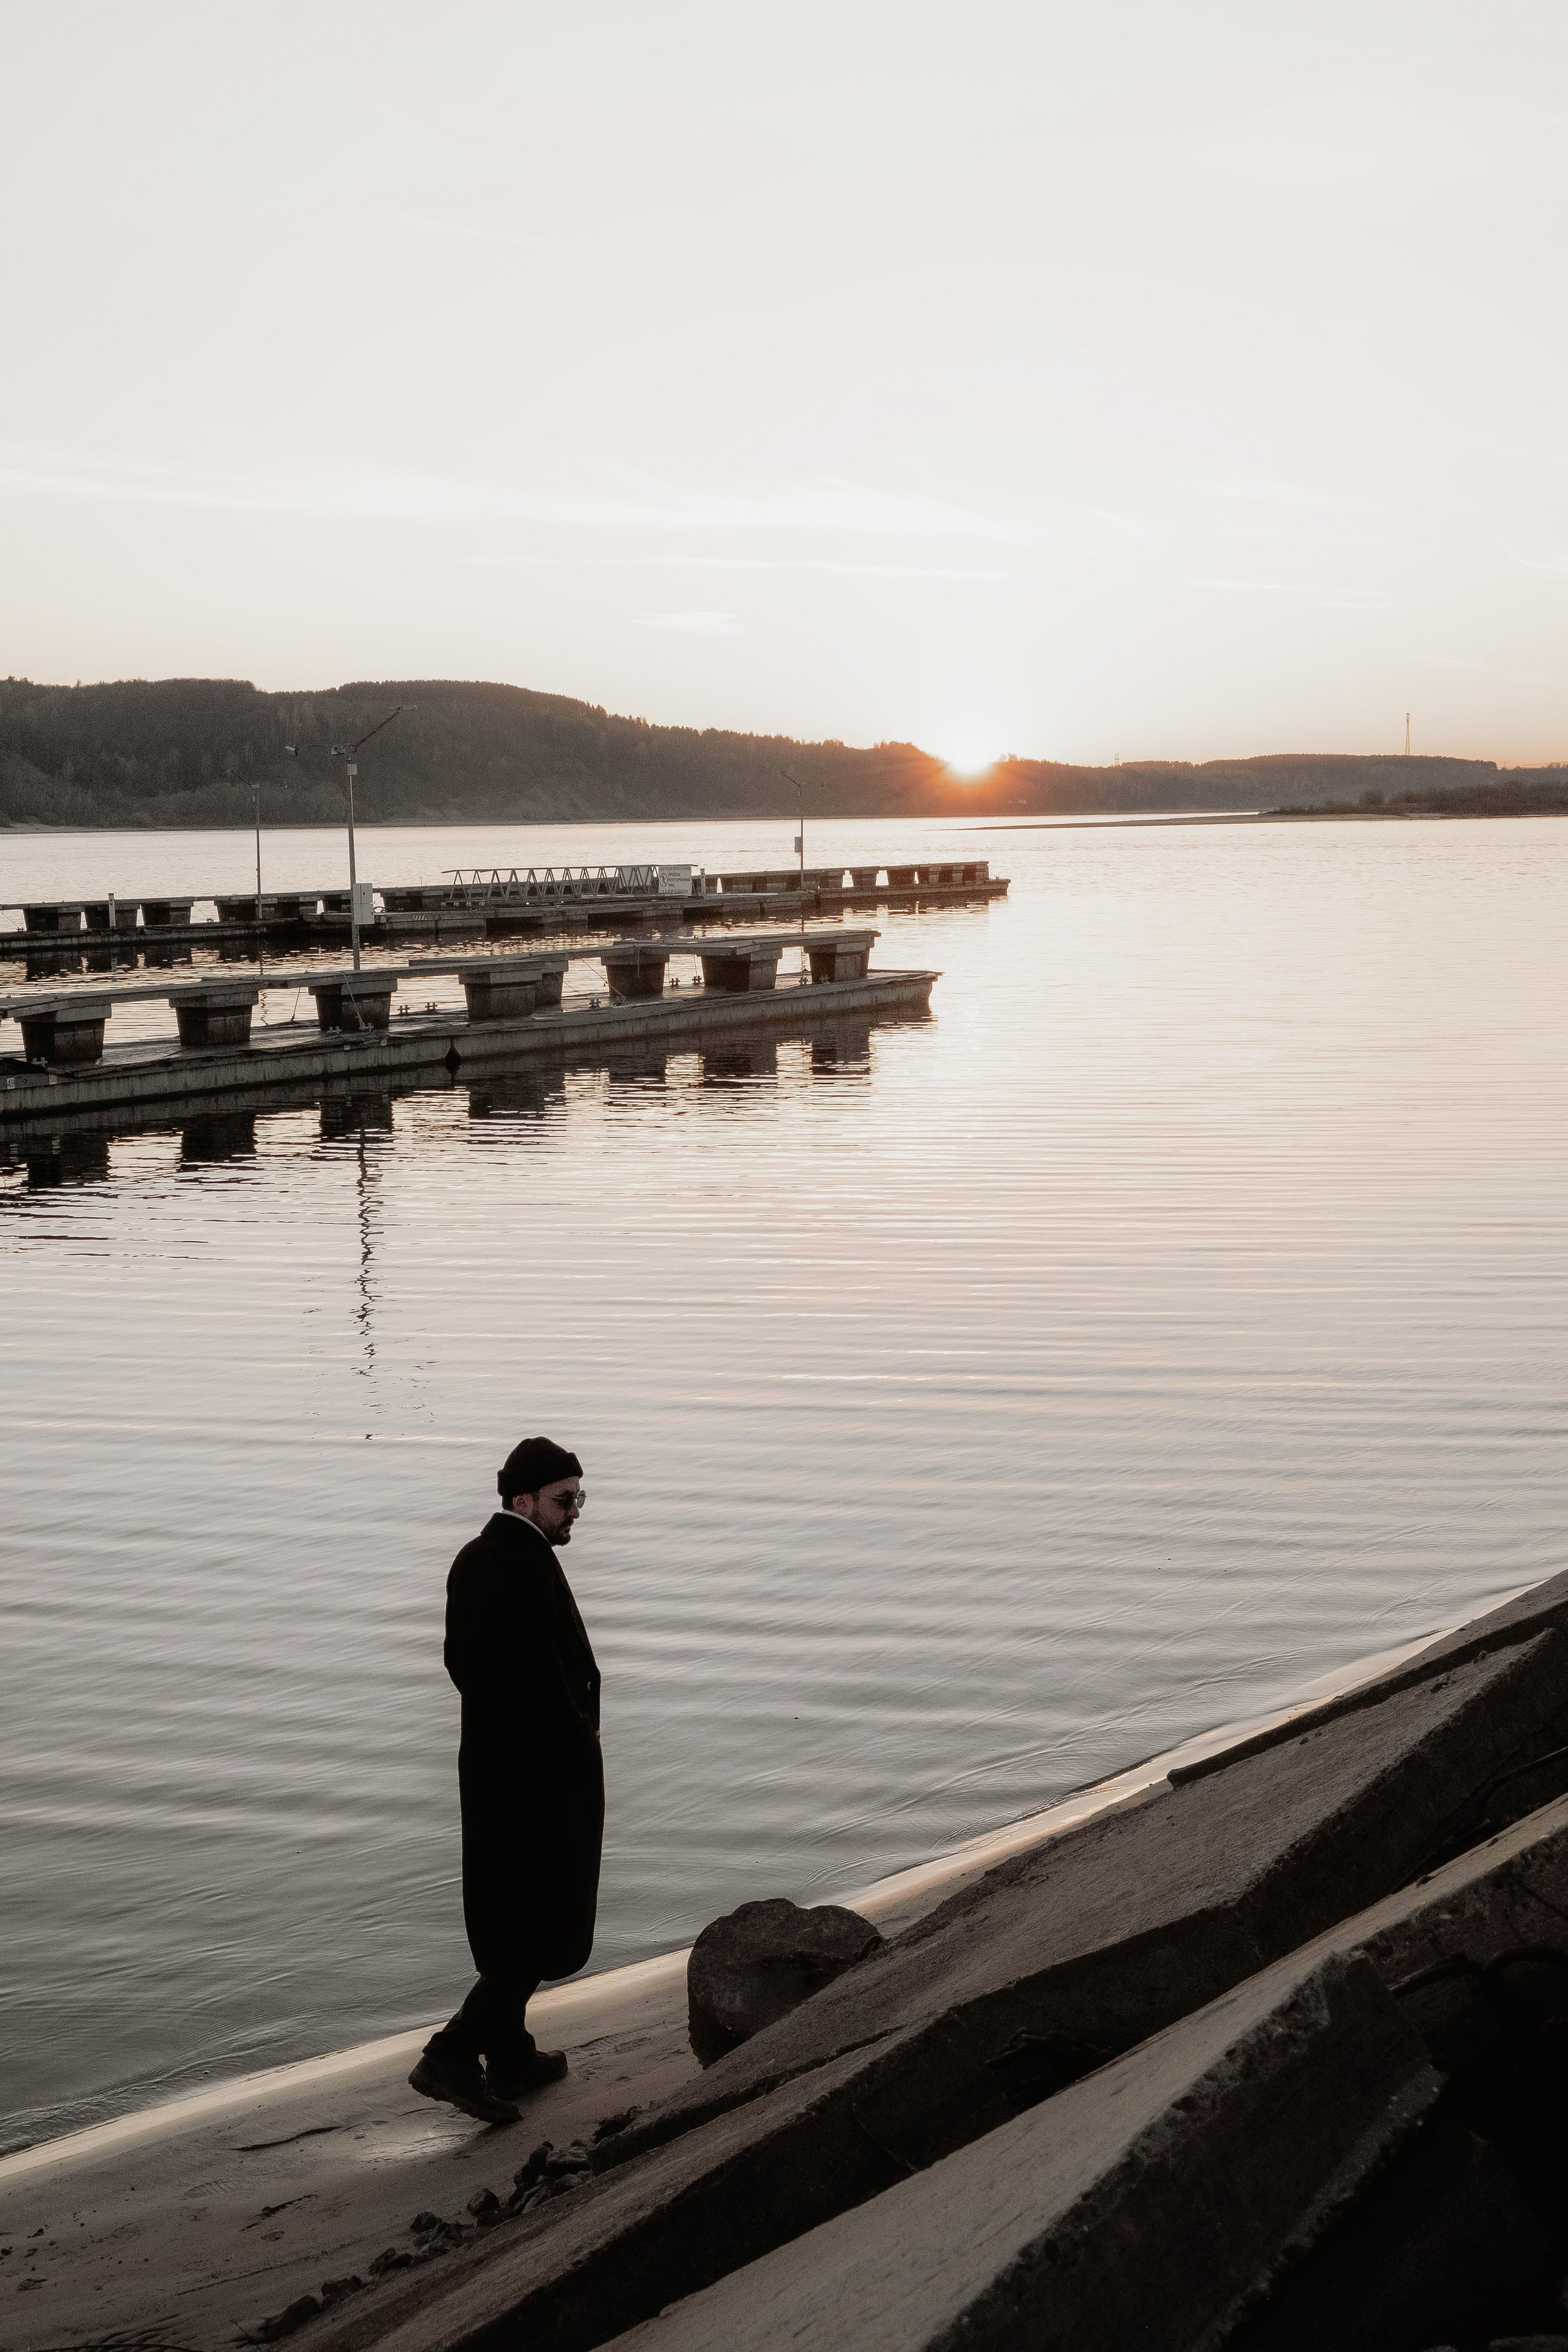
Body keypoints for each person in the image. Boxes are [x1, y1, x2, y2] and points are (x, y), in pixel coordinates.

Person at [410, 1436, 603, 2123]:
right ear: (523, 1499)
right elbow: (534, 1678)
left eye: (578, 1498)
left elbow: (462, 1665)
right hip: (533, 1778)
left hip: (501, 1768)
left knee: (516, 1912)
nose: (574, 1511)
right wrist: (574, 1740)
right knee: (538, 1919)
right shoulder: (513, 1563)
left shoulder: (487, 1556)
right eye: (563, 1500)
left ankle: (512, 2056)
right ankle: (451, 2054)